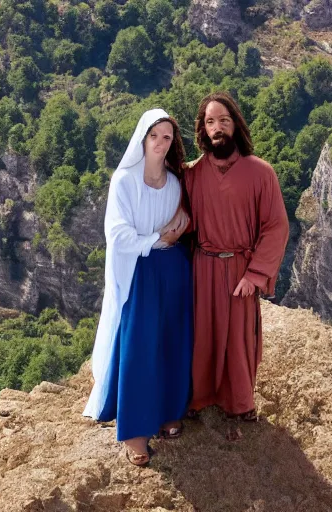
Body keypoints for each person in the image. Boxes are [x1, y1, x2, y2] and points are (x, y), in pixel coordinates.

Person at [83, 108, 193, 466]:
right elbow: (117, 235)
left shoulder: (175, 183)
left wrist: (170, 237)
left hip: (173, 268)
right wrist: (158, 239)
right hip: (140, 270)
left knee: (172, 340)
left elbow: (180, 224)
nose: (161, 143)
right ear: (142, 138)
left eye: (167, 137)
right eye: (154, 136)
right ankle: (134, 432)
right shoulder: (124, 181)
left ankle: (167, 411)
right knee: (140, 345)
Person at [183, 92, 289, 441]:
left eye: (223, 120)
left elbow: (275, 226)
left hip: (241, 269)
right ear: (202, 129)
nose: (217, 128)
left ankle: (239, 403)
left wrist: (256, 274)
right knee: (202, 335)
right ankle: (198, 398)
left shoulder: (261, 173)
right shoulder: (193, 175)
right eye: (210, 122)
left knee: (239, 339)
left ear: (235, 125)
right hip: (202, 267)